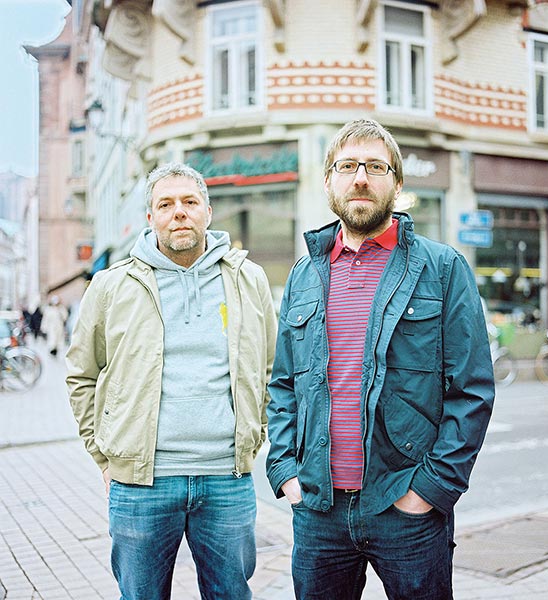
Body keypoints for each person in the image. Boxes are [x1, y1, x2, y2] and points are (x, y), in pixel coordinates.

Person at [266, 119, 495, 600]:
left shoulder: (442, 268)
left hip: (405, 510)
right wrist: (285, 472)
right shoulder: (305, 274)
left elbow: (472, 390)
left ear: (397, 182)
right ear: (329, 179)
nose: (361, 178)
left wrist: (430, 490)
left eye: (375, 166)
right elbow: (283, 384)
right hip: (319, 512)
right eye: (347, 166)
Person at [66, 162, 277, 600]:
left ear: (207, 212)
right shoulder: (111, 286)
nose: (178, 212)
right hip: (142, 483)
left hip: (227, 478)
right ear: (150, 218)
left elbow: (271, 369)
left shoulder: (248, 279)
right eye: (165, 204)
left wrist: (254, 439)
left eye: (189, 202)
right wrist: (104, 456)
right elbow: (81, 374)